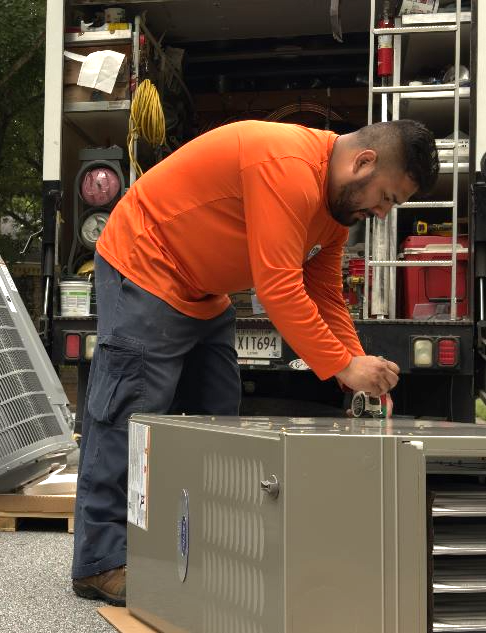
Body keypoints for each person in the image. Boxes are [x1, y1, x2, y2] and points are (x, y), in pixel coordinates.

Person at [70, 119, 439, 605]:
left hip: (204, 291)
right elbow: (279, 288)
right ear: (363, 162)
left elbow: (324, 291)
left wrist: (356, 364)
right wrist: (342, 367)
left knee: (218, 417)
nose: (383, 211)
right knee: (129, 413)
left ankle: (190, 549)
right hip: (146, 263)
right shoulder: (286, 165)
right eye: (388, 197)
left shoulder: (336, 209)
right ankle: (100, 561)